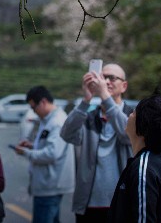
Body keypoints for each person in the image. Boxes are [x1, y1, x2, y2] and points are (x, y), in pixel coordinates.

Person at [60, 62, 133, 223]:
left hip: (122, 203)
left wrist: (105, 97)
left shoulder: (132, 115)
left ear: (124, 86)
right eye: (102, 77)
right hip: (88, 204)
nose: (106, 82)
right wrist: (86, 100)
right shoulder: (89, 117)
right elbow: (66, 135)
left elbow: (127, 135)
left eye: (112, 78)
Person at [107, 92, 161, 223]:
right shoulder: (155, 160)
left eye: (134, 113)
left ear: (142, 127)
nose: (129, 115)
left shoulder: (144, 167)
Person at [13, 86, 75, 223]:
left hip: (50, 185)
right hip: (49, 183)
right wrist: (32, 145)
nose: (33, 111)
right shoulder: (48, 119)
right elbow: (49, 145)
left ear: (43, 102)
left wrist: (26, 152)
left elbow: (52, 153)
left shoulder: (57, 122)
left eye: (33, 107)